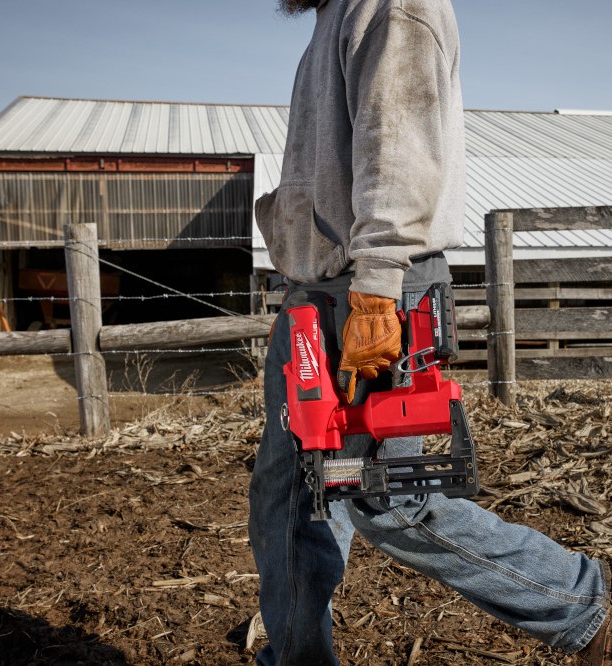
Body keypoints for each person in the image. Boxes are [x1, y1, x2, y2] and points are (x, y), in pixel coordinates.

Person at [248, 0, 611, 664]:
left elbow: (400, 137)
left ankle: (582, 604)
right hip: (317, 291)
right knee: (289, 496)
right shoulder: (336, 13)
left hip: (375, 285)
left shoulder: (392, 3)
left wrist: (376, 289)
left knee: (392, 503)